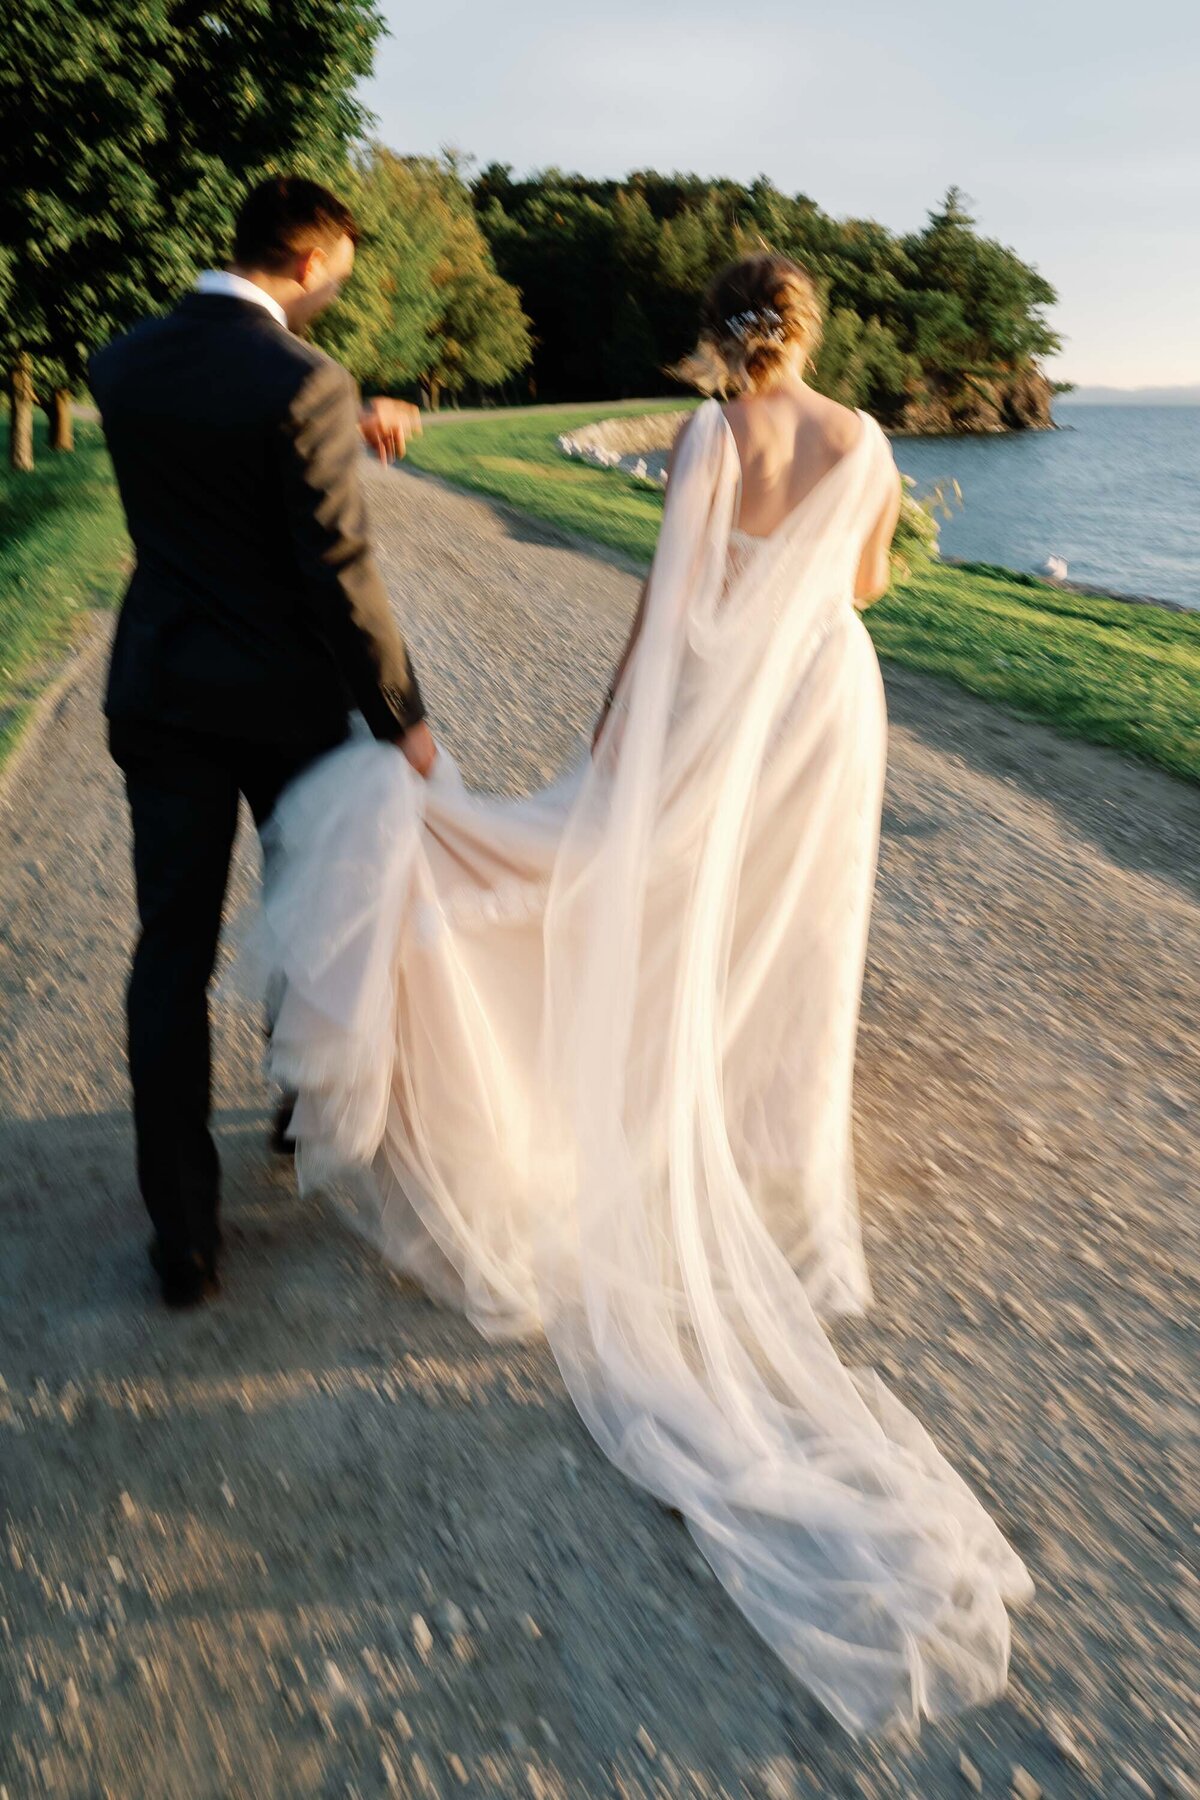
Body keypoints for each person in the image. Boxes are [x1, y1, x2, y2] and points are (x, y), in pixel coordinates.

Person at [259, 252, 1032, 1735]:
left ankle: (670, 1107)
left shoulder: (709, 436)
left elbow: (668, 607)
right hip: (828, 701)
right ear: (811, 334)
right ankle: (774, 1151)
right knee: (800, 931)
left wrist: (615, 736)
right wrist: (875, 554)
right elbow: (863, 584)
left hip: (726, 707)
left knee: (666, 897)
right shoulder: (867, 444)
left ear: (722, 334)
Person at [90, 176, 435, 1308]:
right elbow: (339, 573)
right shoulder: (305, 379)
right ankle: (294, 1118)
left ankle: (183, 1231)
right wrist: (402, 714)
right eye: (342, 263)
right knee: (313, 911)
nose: (341, 281)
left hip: (165, 689)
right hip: (285, 706)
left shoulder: (123, 361)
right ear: (316, 254)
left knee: (170, 954)